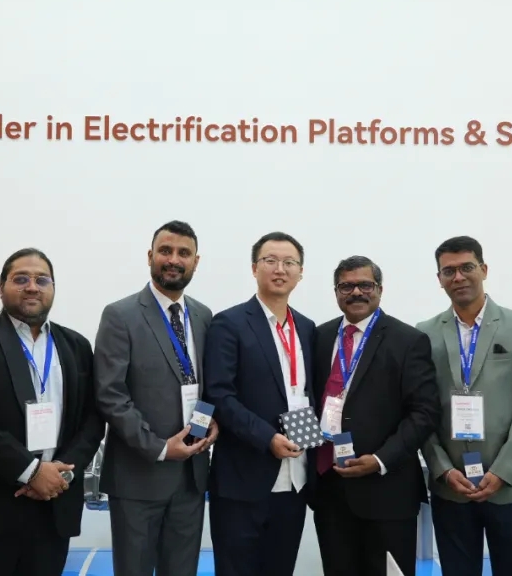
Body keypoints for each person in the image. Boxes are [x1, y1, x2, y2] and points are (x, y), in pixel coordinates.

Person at [0, 248, 105, 576]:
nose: (32, 287)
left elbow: (92, 420)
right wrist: (31, 471)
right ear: (1, 287)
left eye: (42, 280)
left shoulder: (76, 345)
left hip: (53, 508)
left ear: (53, 288)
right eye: (21, 279)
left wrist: (61, 476)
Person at [417, 236, 512, 576]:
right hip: (452, 486)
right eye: (449, 271)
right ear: (439, 279)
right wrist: (443, 469)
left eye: (467, 267)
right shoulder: (424, 333)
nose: (458, 277)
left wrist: (501, 471)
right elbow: (421, 411)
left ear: (484, 269)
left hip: (511, 483)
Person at [94, 220, 219, 576]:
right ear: (150, 256)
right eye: (166, 251)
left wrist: (214, 422)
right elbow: (110, 394)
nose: (174, 260)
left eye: (184, 253)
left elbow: (206, 385)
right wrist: (161, 448)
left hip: (191, 477)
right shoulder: (120, 315)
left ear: (196, 261)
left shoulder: (203, 316)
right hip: (139, 476)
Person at [310, 256, 440, 576]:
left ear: (380, 289)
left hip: (387, 492)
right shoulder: (320, 337)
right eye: (346, 286)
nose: (356, 292)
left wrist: (381, 459)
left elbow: (424, 413)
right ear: (336, 292)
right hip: (330, 491)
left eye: (365, 285)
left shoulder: (408, 340)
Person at [202, 231, 316, 576]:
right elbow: (219, 394)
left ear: (300, 272)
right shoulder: (229, 323)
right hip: (243, 480)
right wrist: (267, 438)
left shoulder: (307, 328)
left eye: (289, 262)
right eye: (270, 261)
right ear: (254, 268)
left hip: (295, 479)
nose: (280, 269)